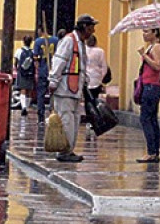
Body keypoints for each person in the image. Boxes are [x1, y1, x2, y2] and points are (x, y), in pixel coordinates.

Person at [48, 14, 97, 162]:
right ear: (84, 27)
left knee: (74, 120)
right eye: (91, 27)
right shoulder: (69, 41)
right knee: (66, 120)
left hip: (75, 89)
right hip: (64, 89)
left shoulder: (81, 43)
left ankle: (69, 149)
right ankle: (64, 151)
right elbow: (59, 61)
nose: (93, 31)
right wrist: (53, 81)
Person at [135, 28, 160, 163]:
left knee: (146, 118)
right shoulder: (153, 46)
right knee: (151, 119)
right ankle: (153, 151)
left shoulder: (156, 47)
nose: (144, 34)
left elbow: (158, 66)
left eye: (147, 31)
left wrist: (144, 55)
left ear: (155, 33)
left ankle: (151, 151)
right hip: (150, 85)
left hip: (152, 86)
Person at [33, 27, 59, 122]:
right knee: (54, 93)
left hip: (43, 72)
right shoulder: (56, 40)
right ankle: (53, 110)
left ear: (40, 30)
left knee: (41, 94)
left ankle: (41, 114)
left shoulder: (38, 41)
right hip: (54, 70)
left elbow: (35, 58)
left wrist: (37, 70)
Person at [15, 35, 35, 116]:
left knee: (22, 90)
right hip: (30, 73)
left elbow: (16, 62)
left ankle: (23, 107)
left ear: (23, 41)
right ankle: (26, 107)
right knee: (29, 91)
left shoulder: (19, 51)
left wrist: (18, 68)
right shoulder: (33, 52)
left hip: (22, 72)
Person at [85, 34, 107, 102]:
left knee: (86, 99)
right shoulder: (100, 51)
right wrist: (102, 78)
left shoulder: (83, 49)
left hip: (85, 78)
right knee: (95, 98)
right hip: (96, 78)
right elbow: (104, 66)